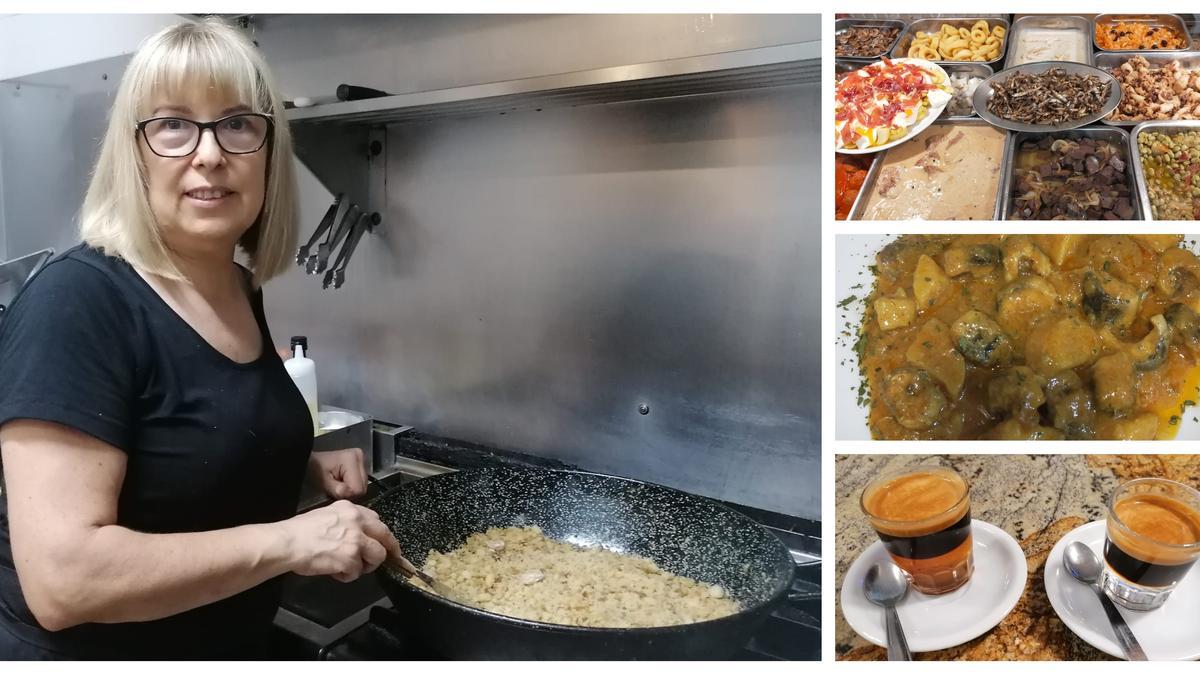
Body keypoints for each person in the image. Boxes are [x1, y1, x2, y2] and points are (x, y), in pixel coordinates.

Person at [0, 18, 401, 659]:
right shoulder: (78, 301)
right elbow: (64, 580)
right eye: (172, 124)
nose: (209, 152)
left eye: (238, 123)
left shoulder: (237, 287)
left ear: (268, 151)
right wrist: (291, 543)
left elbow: (179, 454)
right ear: (133, 153)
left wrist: (296, 469)